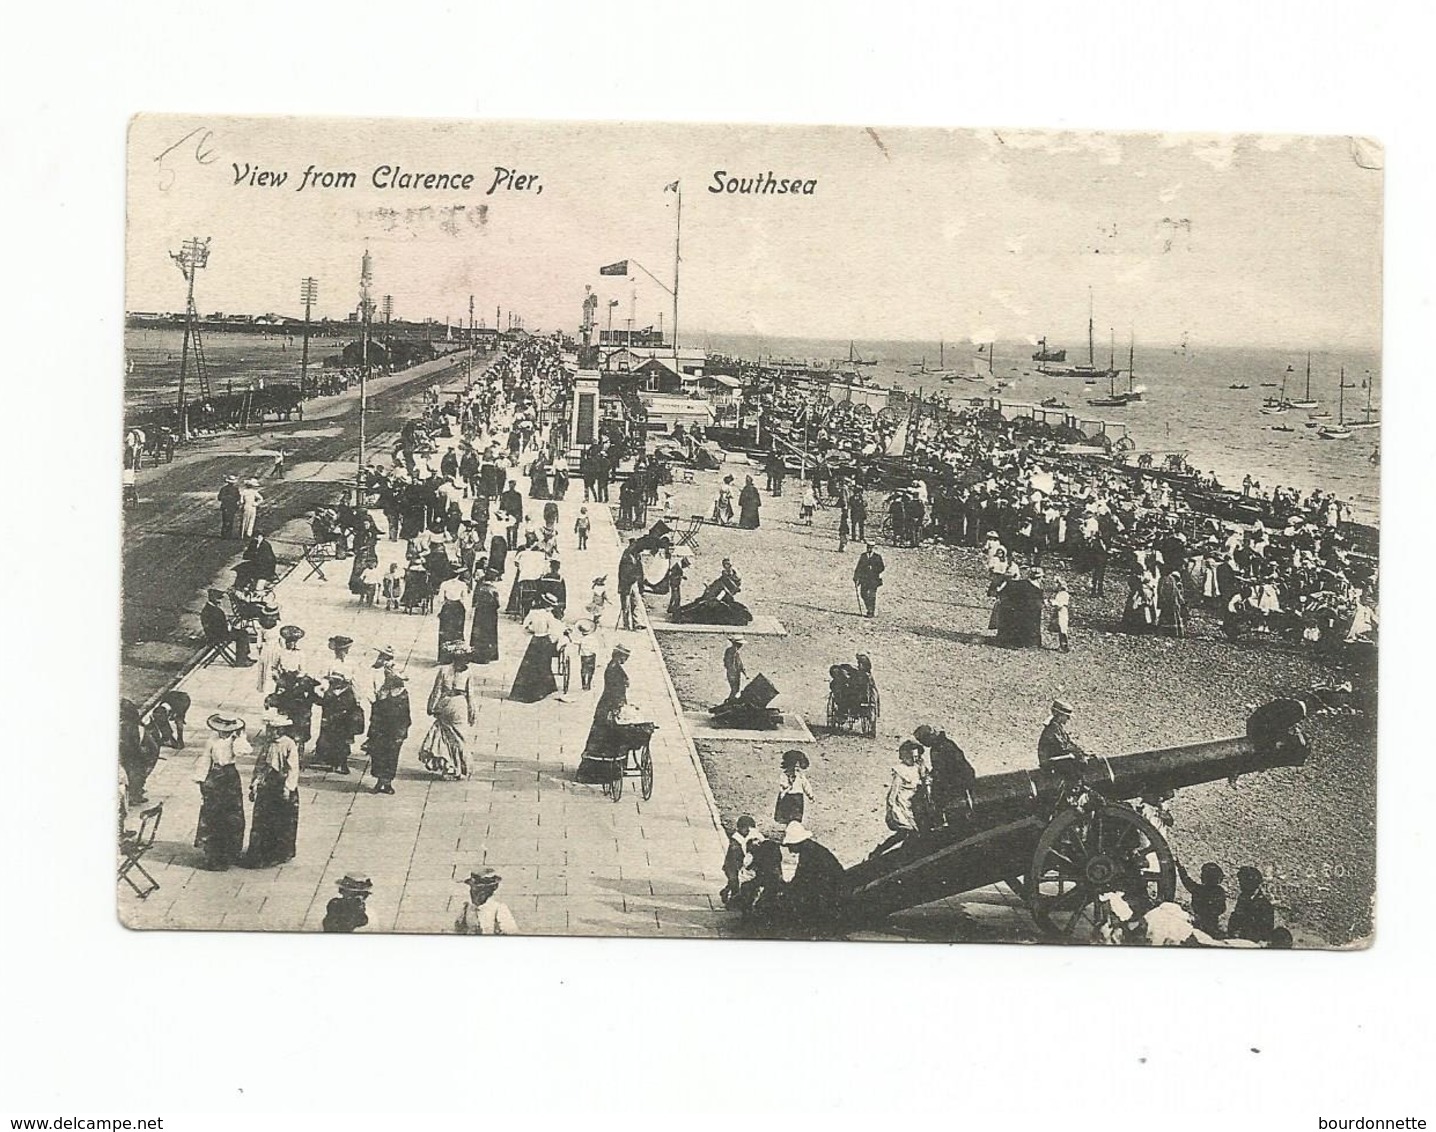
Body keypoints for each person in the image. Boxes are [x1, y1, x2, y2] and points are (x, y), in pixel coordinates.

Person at [192, 713, 250, 871]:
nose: (224, 732)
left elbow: (244, 751)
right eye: (222, 729)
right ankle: (214, 855)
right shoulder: (212, 740)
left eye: (228, 730)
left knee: (232, 815)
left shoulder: (235, 740)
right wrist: (201, 779)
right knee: (213, 815)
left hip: (230, 777)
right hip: (215, 776)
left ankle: (231, 853)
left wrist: (239, 736)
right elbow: (205, 759)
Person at [244, 708, 300, 867]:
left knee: (281, 820)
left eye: (275, 730)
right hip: (267, 785)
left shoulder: (289, 744)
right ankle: (260, 852)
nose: (272, 733)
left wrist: (288, 788)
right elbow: (261, 764)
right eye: (270, 730)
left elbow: (293, 768)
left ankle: (279, 852)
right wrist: (255, 783)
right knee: (262, 819)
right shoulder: (268, 745)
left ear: (282, 730)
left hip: (281, 785)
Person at [777, 822, 847, 940]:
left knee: (806, 897)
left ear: (796, 843)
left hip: (832, 887)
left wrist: (787, 889)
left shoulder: (809, 853)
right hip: (832, 883)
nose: (789, 848)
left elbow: (803, 877)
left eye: (790, 845)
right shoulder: (809, 848)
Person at [575, 644, 632, 783]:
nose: (626, 660)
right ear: (620, 656)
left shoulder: (613, 667)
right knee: (607, 736)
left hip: (608, 704)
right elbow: (614, 691)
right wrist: (618, 706)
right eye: (625, 657)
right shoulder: (614, 669)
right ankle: (602, 771)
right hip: (609, 705)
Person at [420, 644, 477, 779]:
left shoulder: (444, 670)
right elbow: (470, 694)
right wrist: (472, 712)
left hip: (448, 704)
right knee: (458, 738)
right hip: (457, 705)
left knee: (447, 736)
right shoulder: (466, 672)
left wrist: (432, 706)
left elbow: (437, 690)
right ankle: (458, 768)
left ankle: (451, 766)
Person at [872, 740, 928, 856]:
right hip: (900, 805)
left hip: (911, 805)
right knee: (907, 832)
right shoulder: (900, 771)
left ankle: (898, 853)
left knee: (910, 834)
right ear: (905, 756)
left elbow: (924, 780)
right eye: (911, 757)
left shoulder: (918, 768)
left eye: (916, 756)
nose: (914, 759)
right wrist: (892, 809)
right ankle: (880, 851)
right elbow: (893, 793)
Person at [913, 723, 975, 822]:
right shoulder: (938, 747)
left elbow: (951, 767)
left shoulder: (944, 747)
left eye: (923, 741)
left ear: (929, 737)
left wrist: (935, 778)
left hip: (958, 780)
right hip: (954, 779)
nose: (924, 744)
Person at [365, 667, 412, 795]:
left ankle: (387, 782)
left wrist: (401, 733)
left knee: (391, 756)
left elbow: (405, 716)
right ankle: (380, 781)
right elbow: (376, 712)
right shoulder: (382, 692)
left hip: (395, 731)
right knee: (378, 755)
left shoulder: (402, 695)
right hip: (381, 730)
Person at [510, 593, 563, 702]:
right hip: (545, 641)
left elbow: (524, 627)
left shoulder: (533, 612)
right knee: (543, 665)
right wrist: (555, 639)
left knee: (530, 665)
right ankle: (541, 691)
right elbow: (554, 631)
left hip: (534, 641)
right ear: (548, 606)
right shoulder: (549, 615)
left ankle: (522, 692)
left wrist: (532, 631)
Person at [453, 868, 520, 935]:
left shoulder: (498, 908)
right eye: (473, 889)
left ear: (489, 891)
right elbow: (458, 932)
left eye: (480, 890)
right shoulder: (466, 908)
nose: (474, 894)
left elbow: (510, 934)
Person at [719, 814, 763, 908]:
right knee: (734, 882)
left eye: (750, 829)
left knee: (740, 881)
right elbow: (734, 858)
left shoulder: (753, 836)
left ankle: (727, 891)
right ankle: (732, 901)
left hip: (742, 863)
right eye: (745, 829)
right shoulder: (736, 839)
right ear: (739, 828)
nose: (748, 831)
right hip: (732, 864)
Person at [202, 588, 253, 665]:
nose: (220, 601)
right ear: (213, 598)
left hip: (216, 634)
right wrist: (229, 626)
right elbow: (220, 627)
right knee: (242, 635)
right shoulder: (214, 611)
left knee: (243, 632)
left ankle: (244, 656)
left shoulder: (209, 609)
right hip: (218, 636)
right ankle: (241, 661)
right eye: (218, 598)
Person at [1226, 866, 1276, 944]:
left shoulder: (1263, 904)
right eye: (1240, 881)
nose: (1240, 885)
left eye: (1243, 882)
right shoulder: (1243, 897)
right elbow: (1236, 917)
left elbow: (1265, 930)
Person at [1178, 861, 1228, 938]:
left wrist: (1180, 869)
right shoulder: (1219, 891)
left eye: (1203, 874)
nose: (1201, 876)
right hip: (1213, 924)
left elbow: (1187, 882)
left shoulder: (1200, 890)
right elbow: (1222, 908)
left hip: (1201, 923)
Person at [1037, 700, 1088, 771]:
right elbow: (1063, 747)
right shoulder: (1053, 728)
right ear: (1060, 715)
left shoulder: (1058, 727)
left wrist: (1080, 751)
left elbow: (1068, 743)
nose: (1068, 719)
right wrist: (1078, 753)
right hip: (1049, 762)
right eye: (1067, 716)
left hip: (1055, 758)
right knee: (1076, 759)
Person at [435, 568, 470, 661]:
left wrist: (439, 610)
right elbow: (465, 598)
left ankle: (444, 657)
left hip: (447, 607)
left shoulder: (444, 584)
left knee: (445, 631)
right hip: (458, 608)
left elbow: (440, 599)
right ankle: (457, 656)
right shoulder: (463, 585)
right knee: (458, 632)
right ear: (458, 575)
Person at [469, 569, 501, 664]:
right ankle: (490, 655)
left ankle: (476, 654)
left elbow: (475, 600)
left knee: (478, 633)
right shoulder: (493, 589)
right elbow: (497, 604)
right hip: (490, 614)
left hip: (480, 613)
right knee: (490, 633)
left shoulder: (480, 587)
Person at [774, 749, 813, 825]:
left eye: (798, 767)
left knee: (796, 816)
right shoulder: (784, 775)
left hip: (798, 797)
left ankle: (795, 828)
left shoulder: (801, 776)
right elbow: (782, 785)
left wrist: (810, 795)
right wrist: (786, 786)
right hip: (787, 796)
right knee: (787, 815)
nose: (795, 769)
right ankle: (788, 826)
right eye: (793, 766)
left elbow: (806, 785)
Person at [853, 541, 884, 618]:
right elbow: (858, 567)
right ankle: (868, 607)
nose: (869, 548)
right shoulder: (863, 556)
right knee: (863, 594)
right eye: (868, 547)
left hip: (873, 579)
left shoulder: (877, 557)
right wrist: (856, 577)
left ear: (874, 548)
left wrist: (873, 569)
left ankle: (871, 611)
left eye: (871, 547)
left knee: (872, 595)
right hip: (864, 579)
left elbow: (881, 567)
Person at [575, 618, 600, 690]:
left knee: (583, 669)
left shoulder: (582, 639)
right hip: (591, 656)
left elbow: (576, 641)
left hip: (583, 656)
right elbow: (596, 648)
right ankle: (588, 683)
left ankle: (583, 683)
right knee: (591, 670)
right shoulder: (594, 638)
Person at [1049, 576, 1072, 652]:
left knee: (1063, 629)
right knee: (1060, 628)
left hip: (1062, 612)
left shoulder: (1064, 594)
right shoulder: (1059, 594)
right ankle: (1061, 645)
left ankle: (1065, 646)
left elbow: (1060, 604)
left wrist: (1053, 602)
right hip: (1059, 612)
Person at [722, 635, 746, 701]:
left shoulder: (735, 652)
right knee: (735, 689)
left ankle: (731, 700)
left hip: (736, 673)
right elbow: (729, 663)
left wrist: (743, 672)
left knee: (736, 689)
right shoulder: (731, 652)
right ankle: (730, 701)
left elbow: (739, 663)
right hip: (732, 673)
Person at [218, 474, 241, 538]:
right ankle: (228, 534)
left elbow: (219, 498)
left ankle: (224, 534)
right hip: (232, 507)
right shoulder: (235, 489)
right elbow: (238, 497)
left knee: (225, 520)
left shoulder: (223, 489)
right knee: (230, 520)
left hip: (225, 506)